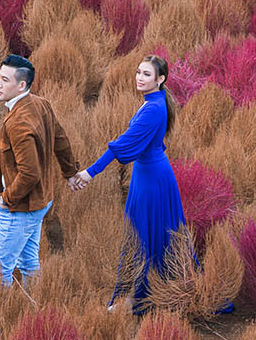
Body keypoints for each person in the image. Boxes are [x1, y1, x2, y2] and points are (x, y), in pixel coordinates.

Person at [74, 54, 187, 313]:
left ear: (160, 79)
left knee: (141, 235)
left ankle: (137, 296)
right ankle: (152, 290)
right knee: (150, 233)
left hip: (152, 180)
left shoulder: (154, 108)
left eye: (146, 74)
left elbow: (121, 145)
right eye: (138, 72)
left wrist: (89, 173)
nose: (139, 77)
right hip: (149, 174)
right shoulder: (154, 102)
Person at [0, 54, 79, 286]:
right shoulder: (41, 104)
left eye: (5, 80)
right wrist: (70, 173)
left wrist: (7, 198)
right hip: (42, 200)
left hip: (21, 206)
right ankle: (32, 312)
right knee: (29, 262)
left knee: (0, 268)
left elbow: (29, 173)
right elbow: (61, 140)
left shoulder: (18, 121)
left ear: (22, 85)